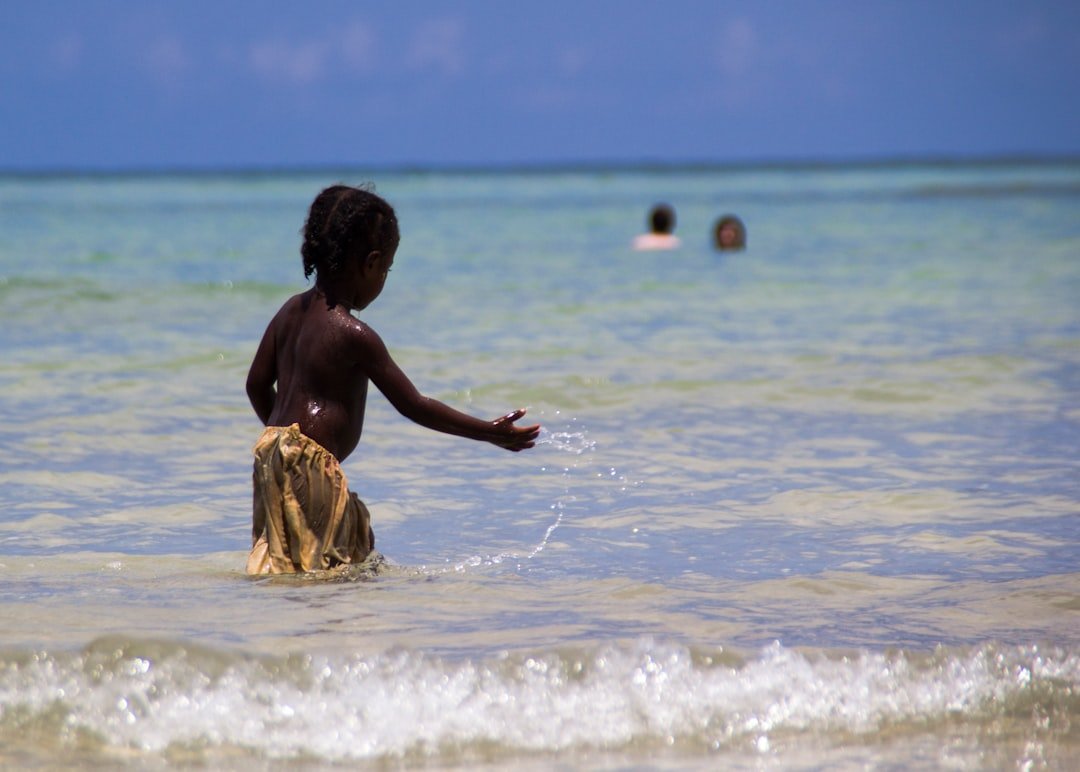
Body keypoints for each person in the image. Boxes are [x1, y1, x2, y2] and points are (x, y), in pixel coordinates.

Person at [244, 184, 540, 575]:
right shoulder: (353, 333)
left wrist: (285, 441)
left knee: (291, 565)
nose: (383, 278)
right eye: (386, 269)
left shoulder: (288, 312)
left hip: (270, 454)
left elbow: (255, 384)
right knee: (325, 575)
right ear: (371, 263)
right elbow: (413, 404)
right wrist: (488, 432)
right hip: (311, 463)